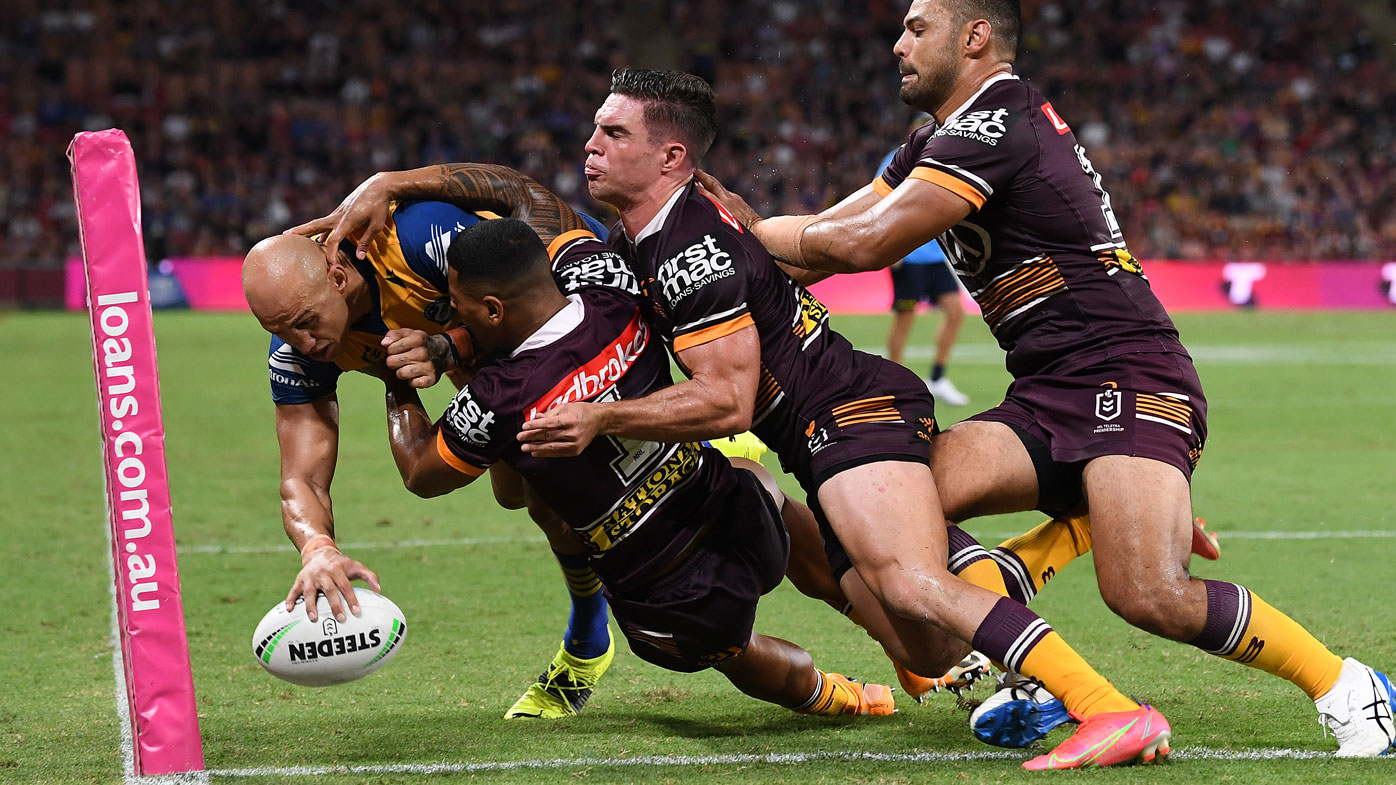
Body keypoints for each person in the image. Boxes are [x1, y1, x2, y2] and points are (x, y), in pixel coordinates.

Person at [696, 0, 1395, 763]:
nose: (897, 44)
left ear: (975, 37)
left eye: (916, 28)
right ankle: (1071, 552)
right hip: (1049, 391)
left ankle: (1348, 685)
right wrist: (734, 241)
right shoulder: (933, 140)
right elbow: (822, 243)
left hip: (1129, 376)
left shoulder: (996, 121)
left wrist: (750, 235)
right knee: (894, 497)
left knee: (1148, 592)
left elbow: (868, 241)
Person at [377, 215, 896, 718]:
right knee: (760, 485)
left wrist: (394, 373)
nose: (450, 315)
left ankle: (843, 697)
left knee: (735, 650)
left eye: (457, 306)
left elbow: (423, 473)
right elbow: (541, 207)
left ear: (492, 310)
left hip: (668, 588)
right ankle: (906, 648)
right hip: (729, 504)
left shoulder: (497, 398)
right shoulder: (610, 289)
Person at [241, 199, 621, 721]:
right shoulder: (296, 350)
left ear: (336, 273)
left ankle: (587, 642)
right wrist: (317, 547)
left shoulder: (418, 241)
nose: (300, 342)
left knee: (547, 486)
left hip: (581, 301)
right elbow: (300, 476)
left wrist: (448, 347)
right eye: (280, 331)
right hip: (490, 358)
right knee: (515, 494)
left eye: (305, 322)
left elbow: (538, 293)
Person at [880, 116, 970, 407]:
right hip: (908, 255)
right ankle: (894, 386)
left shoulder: (944, 158)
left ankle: (938, 378)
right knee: (905, 321)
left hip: (936, 255)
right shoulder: (896, 160)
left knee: (956, 312)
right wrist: (892, 251)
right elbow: (882, 203)